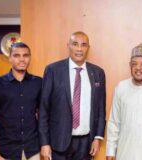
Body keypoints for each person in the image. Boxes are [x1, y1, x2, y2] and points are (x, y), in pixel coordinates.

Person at [39, 31, 106, 160]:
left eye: (84, 45)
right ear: (68, 46)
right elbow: (44, 109)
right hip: (58, 142)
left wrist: (97, 138)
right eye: (75, 44)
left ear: (88, 48)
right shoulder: (53, 70)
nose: (79, 49)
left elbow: (101, 109)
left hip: (86, 144)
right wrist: (44, 142)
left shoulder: (98, 73)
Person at [0, 42, 42, 160]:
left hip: (33, 150)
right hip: (6, 151)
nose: (22, 59)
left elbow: (42, 116)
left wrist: (45, 144)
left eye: (26, 55)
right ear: (10, 58)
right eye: (16, 55)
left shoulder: (39, 83)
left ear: (30, 58)